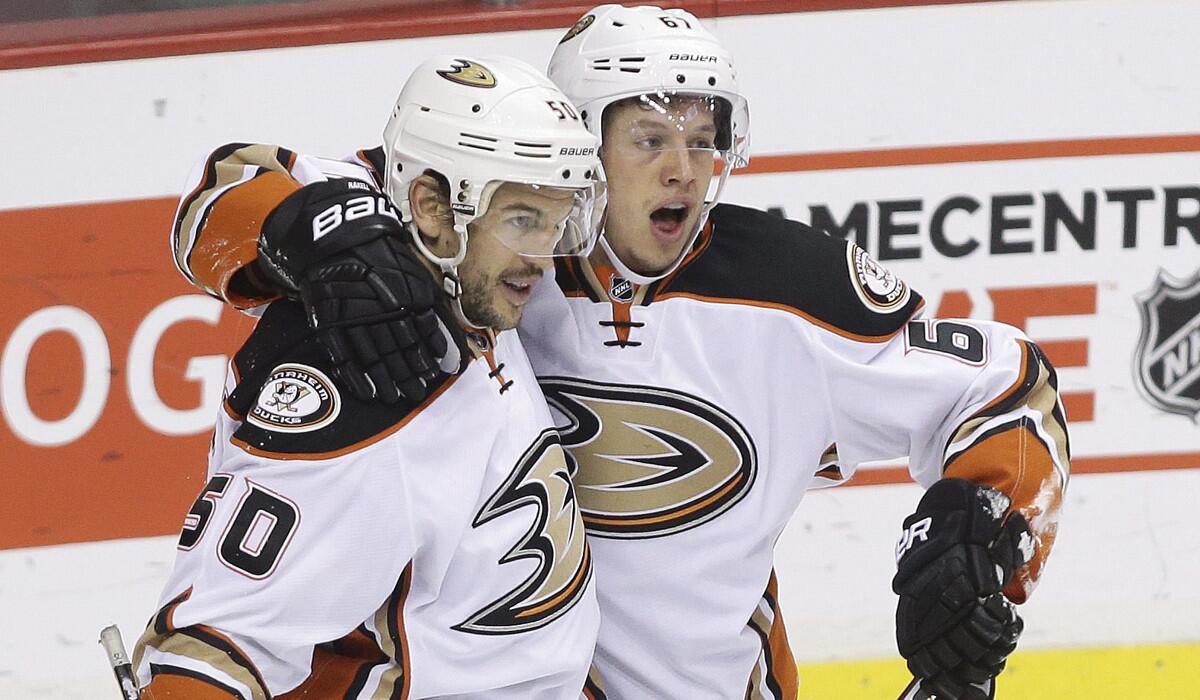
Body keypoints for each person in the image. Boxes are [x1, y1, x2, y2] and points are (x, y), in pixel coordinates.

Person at [169, 6, 1068, 700]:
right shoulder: (480, 233)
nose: (686, 166)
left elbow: (1007, 387)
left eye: (704, 138)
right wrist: (314, 235)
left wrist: (985, 531)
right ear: (579, 145)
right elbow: (223, 197)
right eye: (649, 137)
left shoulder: (794, 290)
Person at [132, 55, 610, 699]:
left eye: (555, 223)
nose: (544, 261)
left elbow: (237, 178)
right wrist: (305, 233)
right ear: (434, 207)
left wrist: (319, 231)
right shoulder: (366, 382)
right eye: (524, 220)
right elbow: (217, 648)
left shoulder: (433, 232)